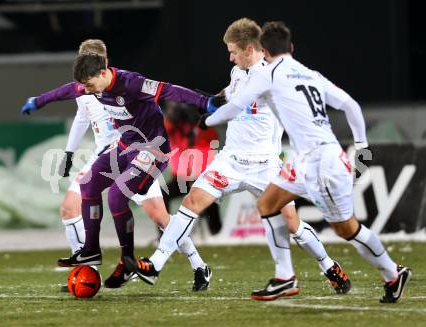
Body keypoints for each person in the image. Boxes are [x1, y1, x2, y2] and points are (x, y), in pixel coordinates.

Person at [127, 18, 351, 300]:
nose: (230, 57)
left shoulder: (274, 75)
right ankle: (156, 264)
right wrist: (211, 99)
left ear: (249, 48)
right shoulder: (238, 71)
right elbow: (230, 93)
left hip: (266, 164)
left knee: (292, 224)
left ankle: (329, 266)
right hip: (231, 159)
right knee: (191, 201)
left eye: (233, 51)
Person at [198, 21, 412, 303]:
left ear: (264, 51)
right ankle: (285, 276)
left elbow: (236, 106)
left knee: (346, 228)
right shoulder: (311, 74)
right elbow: (350, 105)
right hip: (308, 159)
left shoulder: (268, 74)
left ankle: (393, 273)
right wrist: (362, 148)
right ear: (291, 47)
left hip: (321, 163)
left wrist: (207, 120)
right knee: (268, 203)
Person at [21, 50, 223, 291]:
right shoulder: (91, 87)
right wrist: (38, 101)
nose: (86, 90)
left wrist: (204, 102)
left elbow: (168, 89)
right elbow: (66, 91)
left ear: (103, 72)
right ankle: (91, 251)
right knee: (89, 185)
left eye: (88, 84)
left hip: (152, 149)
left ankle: (132, 261)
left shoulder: (132, 83)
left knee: (125, 201)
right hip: (125, 148)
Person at [163, 102, 222, 235]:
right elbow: (165, 127)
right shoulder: (173, 129)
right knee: (162, 195)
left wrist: (196, 122)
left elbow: (213, 136)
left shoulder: (201, 129)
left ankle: (216, 232)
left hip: (201, 178)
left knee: (210, 198)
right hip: (180, 179)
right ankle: (165, 231)